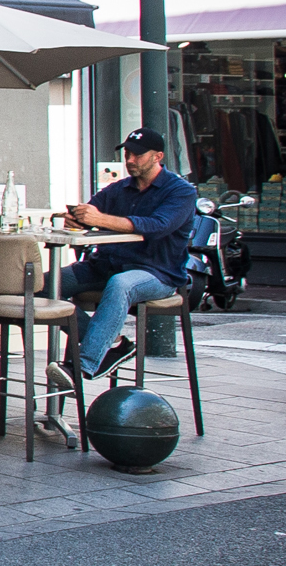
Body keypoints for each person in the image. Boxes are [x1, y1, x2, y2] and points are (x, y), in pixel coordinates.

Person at [61, 127, 200, 381]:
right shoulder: (118, 188)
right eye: (127, 154)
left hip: (157, 272)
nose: (130, 160)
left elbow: (158, 226)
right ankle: (114, 345)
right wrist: (76, 218)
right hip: (104, 265)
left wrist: (100, 219)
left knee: (121, 284)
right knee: (41, 285)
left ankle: (86, 365)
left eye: (137, 154)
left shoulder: (181, 191)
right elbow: (93, 211)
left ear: (158, 156)